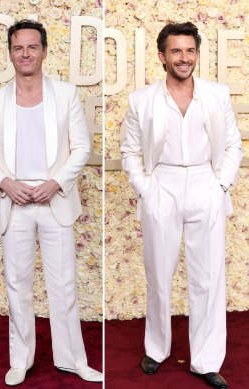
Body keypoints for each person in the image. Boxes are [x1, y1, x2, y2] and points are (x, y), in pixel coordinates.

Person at [0, 19, 102, 386]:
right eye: (18, 47)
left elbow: (81, 147)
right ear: (10, 53)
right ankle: (21, 359)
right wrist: (6, 183)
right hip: (13, 201)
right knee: (18, 284)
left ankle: (72, 359)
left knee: (64, 285)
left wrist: (56, 183)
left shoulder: (65, 94)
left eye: (32, 46)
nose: (25, 53)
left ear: (44, 51)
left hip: (54, 200)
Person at [121, 22, 242, 389]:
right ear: (162, 56)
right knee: (159, 273)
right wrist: (147, 188)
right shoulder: (141, 100)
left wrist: (220, 185)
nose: (184, 58)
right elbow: (130, 151)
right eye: (176, 51)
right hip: (163, 186)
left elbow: (234, 144)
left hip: (207, 183)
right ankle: (157, 349)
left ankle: (206, 360)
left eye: (190, 51)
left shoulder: (217, 95)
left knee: (207, 278)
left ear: (196, 55)